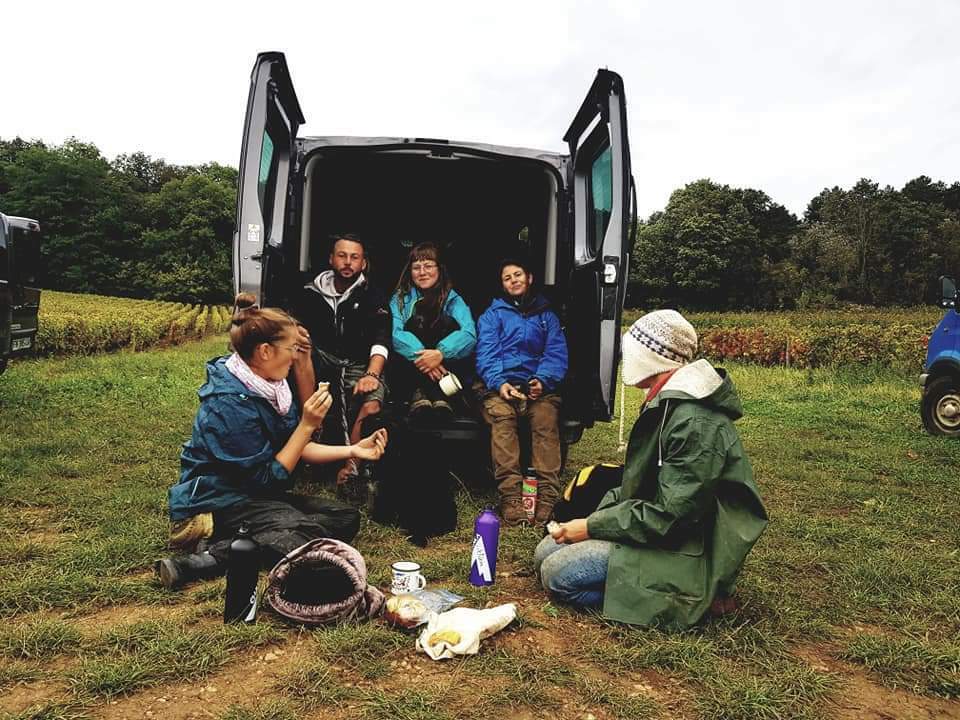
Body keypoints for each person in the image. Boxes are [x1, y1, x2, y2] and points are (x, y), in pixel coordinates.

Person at [534, 310, 768, 630]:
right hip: (656, 529)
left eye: (631, 349)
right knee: (544, 552)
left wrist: (591, 528)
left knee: (557, 576)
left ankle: (696, 597)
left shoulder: (694, 421)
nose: (625, 357)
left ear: (652, 355)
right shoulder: (666, 402)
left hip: (690, 547)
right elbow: (638, 486)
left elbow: (671, 516)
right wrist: (588, 522)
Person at [156, 294, 388, 589]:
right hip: (223, 499)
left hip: (255, 494)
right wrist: (307, 425)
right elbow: (265, 479)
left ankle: (229, 546)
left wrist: (354, 449)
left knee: (344, 517)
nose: (295, 356)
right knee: (304, 532)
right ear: (265, 351)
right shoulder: (229, 404)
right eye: (292, 349)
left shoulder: (272, 386)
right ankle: (203, 560)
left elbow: (295, 448)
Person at [290, 233, 392, 491]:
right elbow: (289, 325)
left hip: (359, 364)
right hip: (321, 359)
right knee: (301, 346)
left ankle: (352, 467)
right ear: (331, 259)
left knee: (371, 406)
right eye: (342, 256)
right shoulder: (307, 291)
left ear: (363, 264)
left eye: (354, 257)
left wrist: (372, 374)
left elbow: (381, 340)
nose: (348, 262)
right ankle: (312, 429)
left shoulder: (374, 295)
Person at [475, 258, 568, 526]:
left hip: (537, 388)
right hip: (500, 386)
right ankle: (511, 497)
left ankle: (548, 497)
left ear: (529, 278)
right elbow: (486, 354)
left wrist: (542, 380)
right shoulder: (493, 315)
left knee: (545, 420)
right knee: (503, 419)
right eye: (507, 277)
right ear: (502, 285)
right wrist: (499, 382)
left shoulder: (547, 316)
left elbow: (556, 353)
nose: (514, 280)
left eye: (518, 275)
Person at [389, 241, 477, 419]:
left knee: (448, 324)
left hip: (446, 370)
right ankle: (418, 393)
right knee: (412, 327)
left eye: (428, 266)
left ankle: (440, 395)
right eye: (416, 267)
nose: (422, 272)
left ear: (439, 269)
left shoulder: (453, 299)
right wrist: (425, 359)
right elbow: (395, 333)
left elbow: (469, 334)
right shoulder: (400, 299)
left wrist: (440, 354)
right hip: (411, 370)